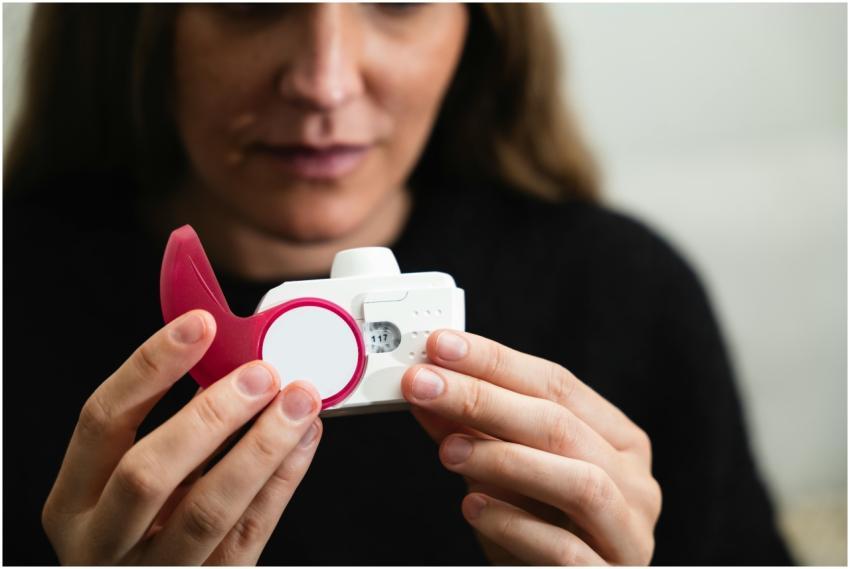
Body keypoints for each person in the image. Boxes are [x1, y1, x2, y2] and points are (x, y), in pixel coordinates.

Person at [3, 4, 793, 565]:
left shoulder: (626, 289)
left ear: (479, 23)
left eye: (400, 2)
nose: (325, 81)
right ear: (131, 24)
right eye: (254, 5)